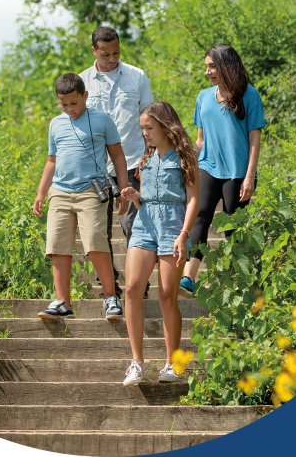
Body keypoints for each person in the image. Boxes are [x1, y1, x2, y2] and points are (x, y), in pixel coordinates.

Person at [33, 73, 129, 320]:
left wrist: (124, 189)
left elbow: (118, 156)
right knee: (57, 246)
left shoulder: (102, 120)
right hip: (60, 192)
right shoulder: (56, 123)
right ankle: (63, 302)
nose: (69, 109)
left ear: (85, 96)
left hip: (91, 191)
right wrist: (41, 191)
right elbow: (51, 160)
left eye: (74, 103)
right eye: (63, 104)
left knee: (95, 242)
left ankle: (110, 297)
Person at [119, 101, 199, 386]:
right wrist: (134, 196)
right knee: (131, 288)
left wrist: (184, 234)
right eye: (143, 128)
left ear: (166, 126)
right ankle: (137, 362)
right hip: (144, 225)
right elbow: (146, 203)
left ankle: (172, 364)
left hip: (172, 226)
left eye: (149, 128)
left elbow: (192, 199)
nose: (145, 134)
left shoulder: (183, 157)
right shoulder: (146, 159)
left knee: (166, 295)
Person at [178, 44, 265, 298]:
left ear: (227, 65)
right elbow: (201, 140)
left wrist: (250, 176)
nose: (207, 71)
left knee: (231, 225)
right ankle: (188, 277)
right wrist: (186, 161)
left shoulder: (250, 96)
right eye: (206, 66)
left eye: (212, 66)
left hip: (237, 172)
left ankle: (240, 280)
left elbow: (254, 140)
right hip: (208, 166)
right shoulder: (204, 97)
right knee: (200, 215)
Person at [80, 26, 154, 299]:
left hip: (133, 161)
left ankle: (140, 285)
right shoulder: (82, 81)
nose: (112, 58)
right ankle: (109, 286)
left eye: (116, 52)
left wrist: (148, 162)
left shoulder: (137, 77)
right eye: (105, 53)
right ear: (94, 51)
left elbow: (150, 122)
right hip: (96, 168)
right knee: (98, 230)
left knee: (133, 225)